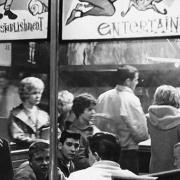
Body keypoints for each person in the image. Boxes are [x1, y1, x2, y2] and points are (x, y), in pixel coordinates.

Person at [95, 65, 149, 174]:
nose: (137, 83)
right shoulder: (131, 99)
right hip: (127, 154)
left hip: (103, 153)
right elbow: (141, 133)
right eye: (136, 79)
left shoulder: (102, 97)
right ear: (128, 81)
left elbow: (97, 124)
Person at [68, 132, 153, 180]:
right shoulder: (133, 178)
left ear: (96, 156)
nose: (88, 157)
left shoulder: (76, 177)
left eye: (88, 154)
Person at [8, 77, 50, 148]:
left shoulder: (44, 115)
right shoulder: (16, 114)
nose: (38, 96)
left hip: (43, 153)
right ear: (25, 94)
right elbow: (17, 136)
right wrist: (38, 141)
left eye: (40, 93)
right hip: (23, 152)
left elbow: (54, 133)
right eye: (34, 93)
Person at [147, 85, 180, 173]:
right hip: (175, 168)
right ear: (175, 99)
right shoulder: (178, 119)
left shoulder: (149, 118)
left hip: (155, 167)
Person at [68, 93, 100, 170]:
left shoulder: (92, 127)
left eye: (94, 109)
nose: (93, 112)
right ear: (80, 111)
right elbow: (79, 160)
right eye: (89, 110)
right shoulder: (74, 132)